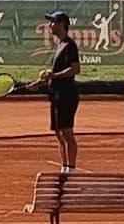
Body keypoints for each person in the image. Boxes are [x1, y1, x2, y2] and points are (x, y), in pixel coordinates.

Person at [13, 9, 83, 171]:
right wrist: (38, 83)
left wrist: (53, 76)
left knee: (67, 133)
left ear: (62, 25)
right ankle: (64, 168)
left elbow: (75, 69)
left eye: (53, 22)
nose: (50, 25)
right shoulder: (60, 45)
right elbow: (54, 75)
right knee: (58, 133)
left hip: (67, 95)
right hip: (56, 95)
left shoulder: (69, 46)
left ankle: (71, 169)